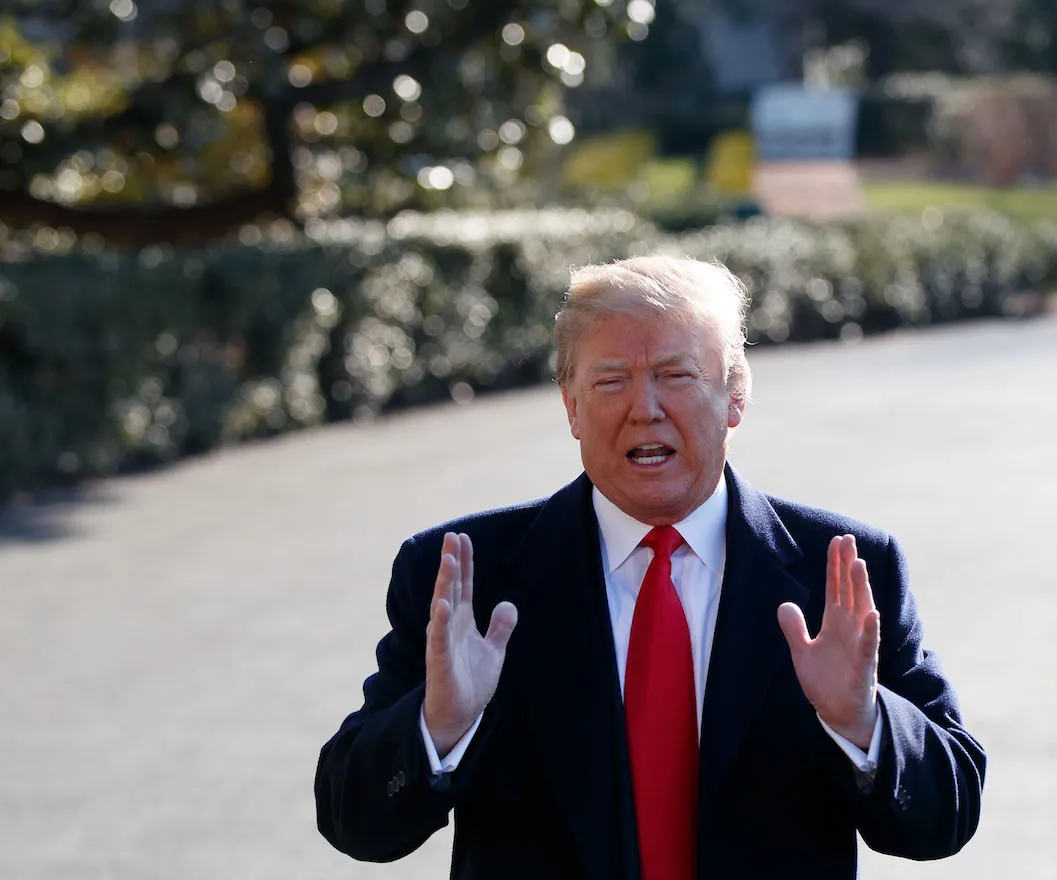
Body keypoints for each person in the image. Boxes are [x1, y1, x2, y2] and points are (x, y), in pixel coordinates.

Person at [314, 256, 986, 879]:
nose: (645, 407)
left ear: (736, 397)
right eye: (611, 381)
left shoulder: (839, 572)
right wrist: (438, 727)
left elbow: (945, 818)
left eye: (677, 375)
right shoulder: (465, 577)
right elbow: (358, 823)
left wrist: (863, 723)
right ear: (571, 405)